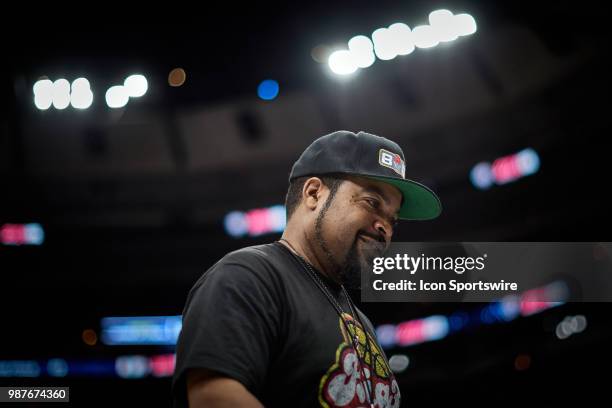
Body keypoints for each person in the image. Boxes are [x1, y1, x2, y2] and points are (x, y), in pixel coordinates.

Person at [172, 130, 442, 407]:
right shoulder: (247, 276)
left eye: (392, 220)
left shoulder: (362, 321)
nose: (385, 227)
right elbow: (212, 397)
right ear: (314, 194)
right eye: (372, 203)